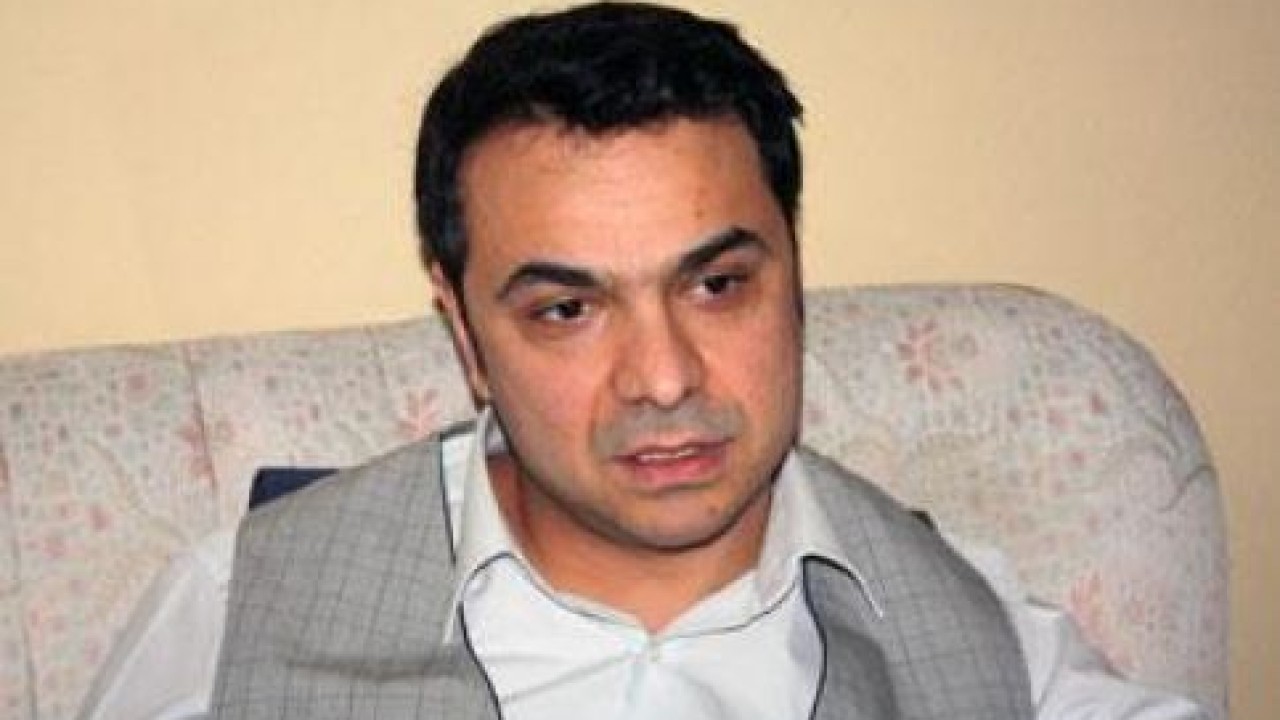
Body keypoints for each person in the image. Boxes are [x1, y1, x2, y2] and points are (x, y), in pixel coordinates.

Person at [79, 3, 1207, 719]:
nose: (663, 379)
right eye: (568, 309)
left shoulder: (983, 640)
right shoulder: (237, 615)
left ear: (792, 273)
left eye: (716, 286)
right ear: (465, 335)